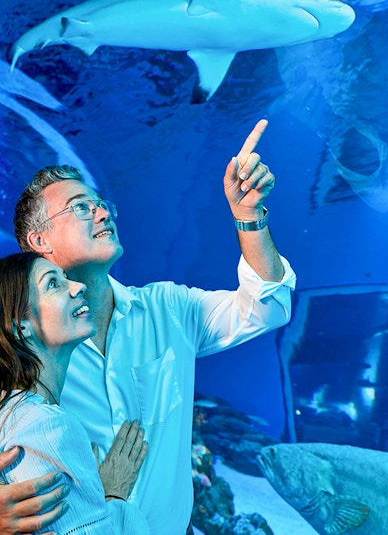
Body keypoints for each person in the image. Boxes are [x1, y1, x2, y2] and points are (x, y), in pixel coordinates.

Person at [4, 119, 296, 534]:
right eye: (81, 207)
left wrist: (249, 217)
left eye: (101, 203)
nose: (103, 212)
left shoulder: (170, 308)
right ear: (39, 241)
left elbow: (267, 306)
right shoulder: (14, 342)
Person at [0, 252, 150, 534]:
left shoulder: (10, 411)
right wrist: (113, 495)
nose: (77, 286)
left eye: (65, 278)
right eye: (53, 284)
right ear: (20, 326)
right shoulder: (45, 425)